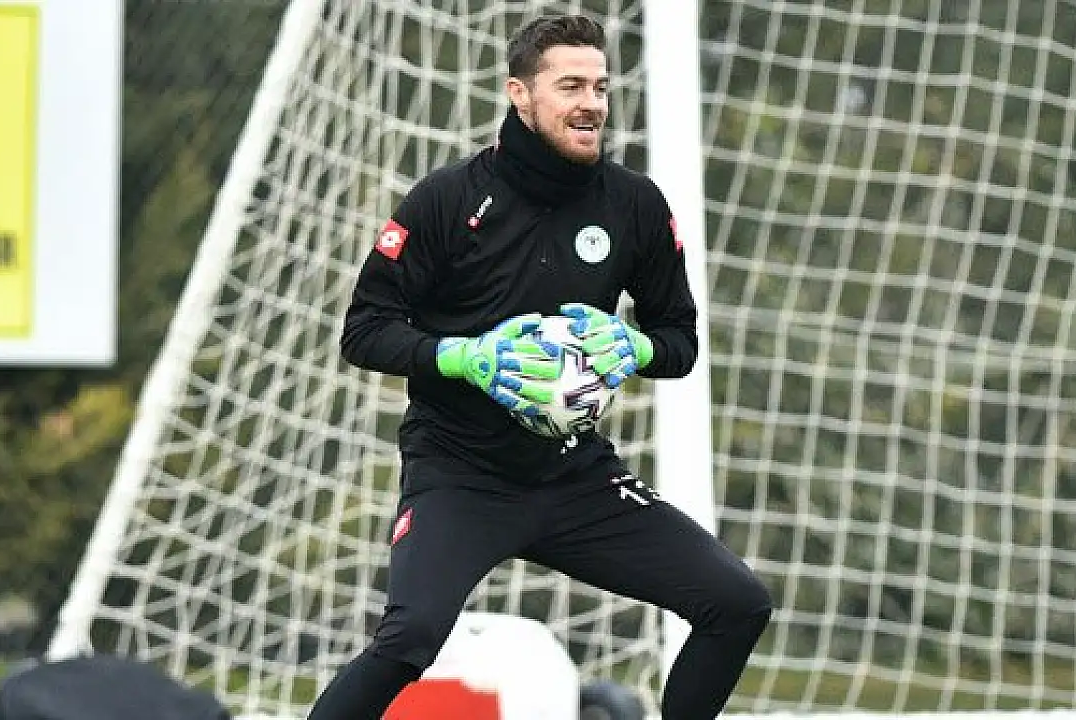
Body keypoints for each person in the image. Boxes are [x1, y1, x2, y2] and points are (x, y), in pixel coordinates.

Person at [308, 14, 773, 720]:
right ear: (520, 93)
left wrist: (638, 347)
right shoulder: (447, 200)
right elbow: (364, 331)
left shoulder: (635, 205)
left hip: (574, 475)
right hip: (459, 473)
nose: (591, 103)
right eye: (570, 86)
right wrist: (463, 357)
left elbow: (679, 339)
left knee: (737, 603)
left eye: (600, 87)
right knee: (409, 638)